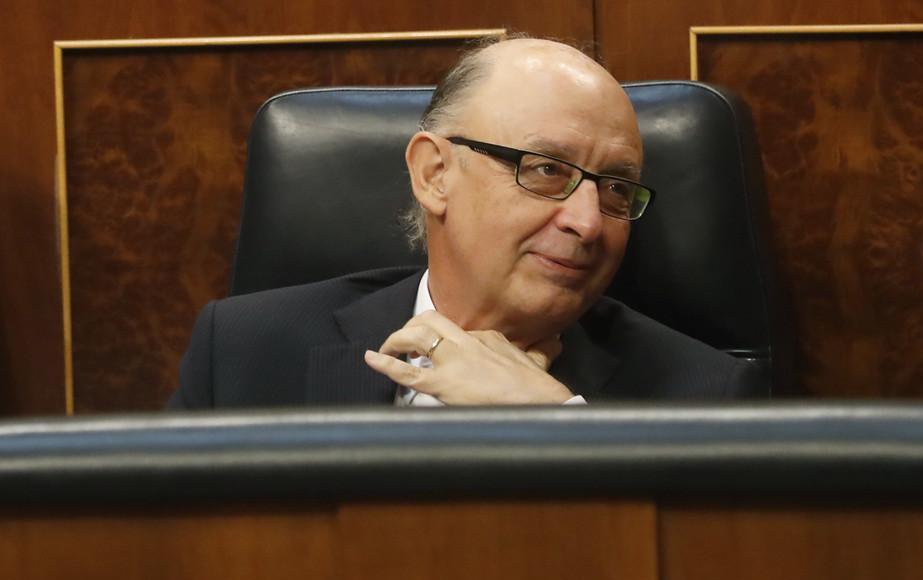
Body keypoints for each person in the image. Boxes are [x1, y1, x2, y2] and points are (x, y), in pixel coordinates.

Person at [169, 37, 760, 408]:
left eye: (615, 188)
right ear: (434, 175)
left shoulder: (703, 395)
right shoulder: (244, 352)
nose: (588, 223)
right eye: (547, 169)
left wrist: (556, 430)